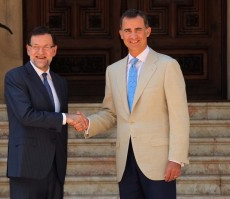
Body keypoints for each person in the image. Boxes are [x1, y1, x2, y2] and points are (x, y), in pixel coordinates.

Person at [74, 9, 190, 199]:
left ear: (148, 31)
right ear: (121, 34)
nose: (133, 35)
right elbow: (110, 113)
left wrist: (176, 159)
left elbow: (179, 117)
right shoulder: (113, 71)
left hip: (158, 162)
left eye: (138, 29)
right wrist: (89, 123)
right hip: (125, 162)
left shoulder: (167, 65)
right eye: (127, 30)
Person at [4, 26, 81, 199]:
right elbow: (26, 115)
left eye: (46, 47)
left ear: (54, 50)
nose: (41, 52)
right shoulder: (15, 77)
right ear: (28, 49)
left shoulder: (61, 83)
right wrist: (66, 118)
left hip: (55, 166)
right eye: (36, 46)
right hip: (27, 165)